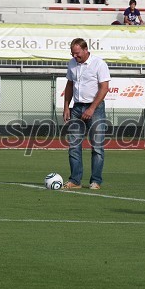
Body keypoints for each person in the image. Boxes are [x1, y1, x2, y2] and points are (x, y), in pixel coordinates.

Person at [63, 38, 110, 190]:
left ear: (85, 50)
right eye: (73, 54)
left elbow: (104, 88)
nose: (75, 57)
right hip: (76, 108)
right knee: (74, 146)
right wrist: (66, 107)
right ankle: (75, 180)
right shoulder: (72, 63)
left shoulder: (99, 64)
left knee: (97, 147)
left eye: (77, 54)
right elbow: (69, 85)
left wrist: (91, 108)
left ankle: (95, 181)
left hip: (95, 109)